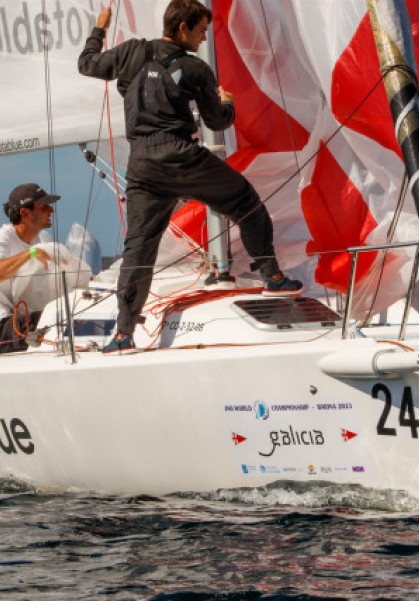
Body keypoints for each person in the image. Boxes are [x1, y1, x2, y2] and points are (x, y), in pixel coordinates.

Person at [78, 0, 302, 354]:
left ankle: (123, 335)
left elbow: (87, 64)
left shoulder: (130, 51)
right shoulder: (196, 68)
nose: (203, 36)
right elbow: (216, 122)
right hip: (179, 156)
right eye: (200, 30)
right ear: (182, 28)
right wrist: (227, 103)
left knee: (139, 248)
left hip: (142, 164)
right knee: (245, 202)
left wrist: (100, 28)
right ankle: (272, 277)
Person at [0, 183, 59, 356]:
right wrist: (29, 254)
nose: (51, 210)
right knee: (51, 320)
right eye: (44, 206)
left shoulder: (35, 240)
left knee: (61, 313)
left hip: (10, 325)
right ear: (25, 213)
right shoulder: (1, 238)